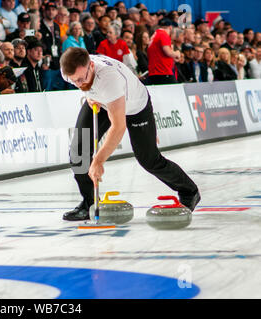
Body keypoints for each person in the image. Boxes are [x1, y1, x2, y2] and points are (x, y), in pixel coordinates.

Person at [59, 47, 200, 221]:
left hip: (135, 106)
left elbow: (118, 127)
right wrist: (88, 92)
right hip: (101, 101)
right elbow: (82, 82)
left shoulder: (109, 79)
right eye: (74, 81)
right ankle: (89, 203)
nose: (79, 84)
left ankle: (189, 192)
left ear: (92, 66)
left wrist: (98, 161)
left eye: (82, 79)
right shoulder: (69, 70)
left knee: (149, 159)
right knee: (78, 152)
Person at [146, 18, 180, 84]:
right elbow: (168, 52)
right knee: (175, 92)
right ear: (170, 27)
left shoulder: (154, 35)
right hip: (163, 72)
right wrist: (177, 53)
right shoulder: (163, 34)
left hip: (155, 73)